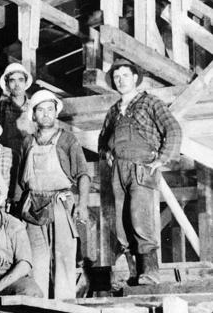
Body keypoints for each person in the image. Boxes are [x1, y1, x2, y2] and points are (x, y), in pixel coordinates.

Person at [98, 60, 182, 285]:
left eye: (125, 75)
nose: (121, 80)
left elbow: (173, 129)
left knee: (140, 219)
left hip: (141, 167)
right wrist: (106, 151)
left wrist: (163, 158)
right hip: (118, 170)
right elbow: (102, 139)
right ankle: (135, 274)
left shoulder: (150, 102)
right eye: (117, 77)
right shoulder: (114, 110)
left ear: (135, 78)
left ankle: (151, 273)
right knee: (122, 225)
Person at [19, 89, 90, 299]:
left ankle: (65, 303)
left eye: (50, 109)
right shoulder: (26, 142)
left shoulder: (67, 140)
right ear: (34, 115)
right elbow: (19, 184)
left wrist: (82, 205)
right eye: (40, 110)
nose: (46, 114)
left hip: (61, 202)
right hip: (32, 205)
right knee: (37, 259)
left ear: (56, 112)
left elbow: (83, 175)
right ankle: (38, 304)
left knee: (64, 257)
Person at [0, 63, 35, 203]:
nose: (17, 84)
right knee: (8, 200)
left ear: (25, 82)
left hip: (30, 160)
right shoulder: (0, 108)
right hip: (8, 161)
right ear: (7, 84)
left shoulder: (35, 107)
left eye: (20, 80)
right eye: (12, 80)